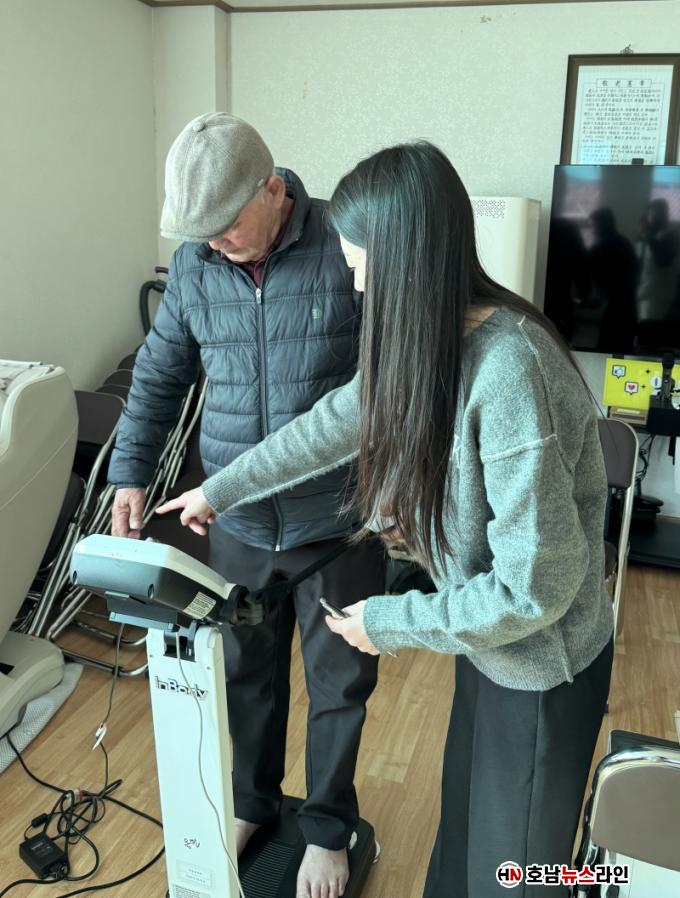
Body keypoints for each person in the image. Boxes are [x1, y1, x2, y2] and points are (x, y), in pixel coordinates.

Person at [158, 141, 615, 898]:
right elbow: (327, 426)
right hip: (494, 650)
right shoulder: (431, 346)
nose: (358, 284)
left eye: (362, 266)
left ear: (409, 264)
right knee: (463, 846)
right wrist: (222, 490)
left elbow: (533, 590)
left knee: (516, 874)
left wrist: (389, 621)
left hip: (542, 663)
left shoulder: (510, 369)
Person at [108, 113, 385, 898]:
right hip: (238, 524)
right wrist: (130, 472)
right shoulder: (197, 265)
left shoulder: (347, 243)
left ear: (273, 188)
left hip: (338, 524)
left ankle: (327, 829)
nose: (215, 243)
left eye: (227, 225)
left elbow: (390, 383)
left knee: (339, 688)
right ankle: (254, 802)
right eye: (200, 234)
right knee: (245, 676)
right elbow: (159, 376)